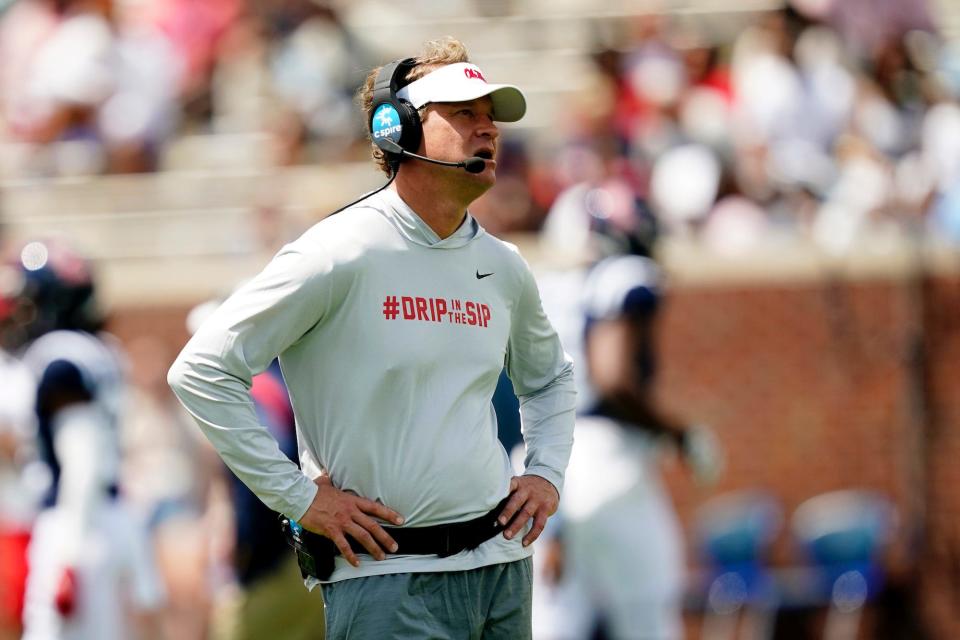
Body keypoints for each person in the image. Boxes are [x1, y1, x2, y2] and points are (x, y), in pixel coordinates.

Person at [167, 36, 576, 638]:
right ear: (399, 128)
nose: (488, 129)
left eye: (492, 117)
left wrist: (546, 474)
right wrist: (298, 498)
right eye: (465, 113)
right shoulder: (337, 251)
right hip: (385, 576)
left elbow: (552, 378)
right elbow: (201, 370)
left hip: (502, 569)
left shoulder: (504, 264)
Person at [531, 168, 722, 640]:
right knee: (648, 609)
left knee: (560, 618)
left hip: (543, 462)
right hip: (605, 460)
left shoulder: (548, 287)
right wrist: (677, 432)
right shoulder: (624, 276)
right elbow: (613, 376)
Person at [2, 239, 165, 640]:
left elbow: (82, 457)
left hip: (78, 524)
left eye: (29, 301)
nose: (23, 313)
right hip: (109, 516)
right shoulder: (97, 351)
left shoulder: (60, 358)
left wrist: (66, 557)